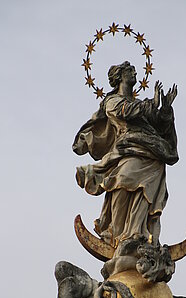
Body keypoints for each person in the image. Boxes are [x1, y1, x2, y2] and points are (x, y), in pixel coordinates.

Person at [73, 61, 178, 248]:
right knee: (122, 181)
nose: (135, 72)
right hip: (129, 149)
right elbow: (124, 112)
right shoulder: (112, 102)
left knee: (145, 193)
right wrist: (151, 104)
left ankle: (138, 233)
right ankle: (118, 233)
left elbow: (159, 126)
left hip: (153, 153)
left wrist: (165, 109)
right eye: (130, 70)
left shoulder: (140, 104)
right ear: (120, 76)